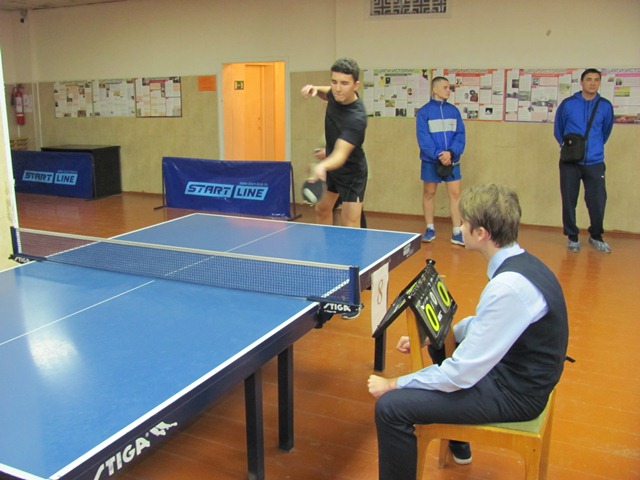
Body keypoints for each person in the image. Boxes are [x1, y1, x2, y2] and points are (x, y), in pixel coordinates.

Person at [367, 184, 569, 480]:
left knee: (391, 408)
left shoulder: (507, 288)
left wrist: (395, 383)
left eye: (463, 223)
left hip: (518, 394)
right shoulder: (523, 263)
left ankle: (451, 433)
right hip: (520, 374)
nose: (460, 228)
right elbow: (486, 324)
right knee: (441, 342)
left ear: (481, 233)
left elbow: (461, 374)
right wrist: (433, 335)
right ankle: (459, 442)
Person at [301, 57, 368, 229]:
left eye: (344, 83)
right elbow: (328, 93)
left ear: (356, 85)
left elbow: (340, 154)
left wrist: (322, 166)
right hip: (332, 170)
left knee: (350, 224)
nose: (338, 88)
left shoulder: (357, 118)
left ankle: (352, 248)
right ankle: (327, 246)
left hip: (351, 174)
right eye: (334, 81)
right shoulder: (336, 94)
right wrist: (316, 89)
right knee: (322, 209)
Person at [554, 68, 614, 253]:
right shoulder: (568, 104)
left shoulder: (605, 106)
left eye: (596, 80)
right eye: (589, 79)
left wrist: (593, 147)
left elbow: (606, 131)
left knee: (597, 201)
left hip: (595, 162)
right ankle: (572, 237)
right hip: (570, 161)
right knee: (569, 200)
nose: (592, 83)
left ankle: (596, 235)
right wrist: (571, 149)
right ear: (581, 82)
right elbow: (558, 129)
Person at [416, 76, 466, 246]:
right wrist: (439, 155)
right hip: (431, 161)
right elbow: (424, 139)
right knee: (429, 193)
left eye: (449, 87)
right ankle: (430, 229)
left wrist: (450, 153)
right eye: (445, 87)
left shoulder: (454, 111)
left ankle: (457, 232)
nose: (448, 90)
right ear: (435, 89)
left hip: (452, 160)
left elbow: (460, 135)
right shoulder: (424, 112)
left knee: (455, 194)